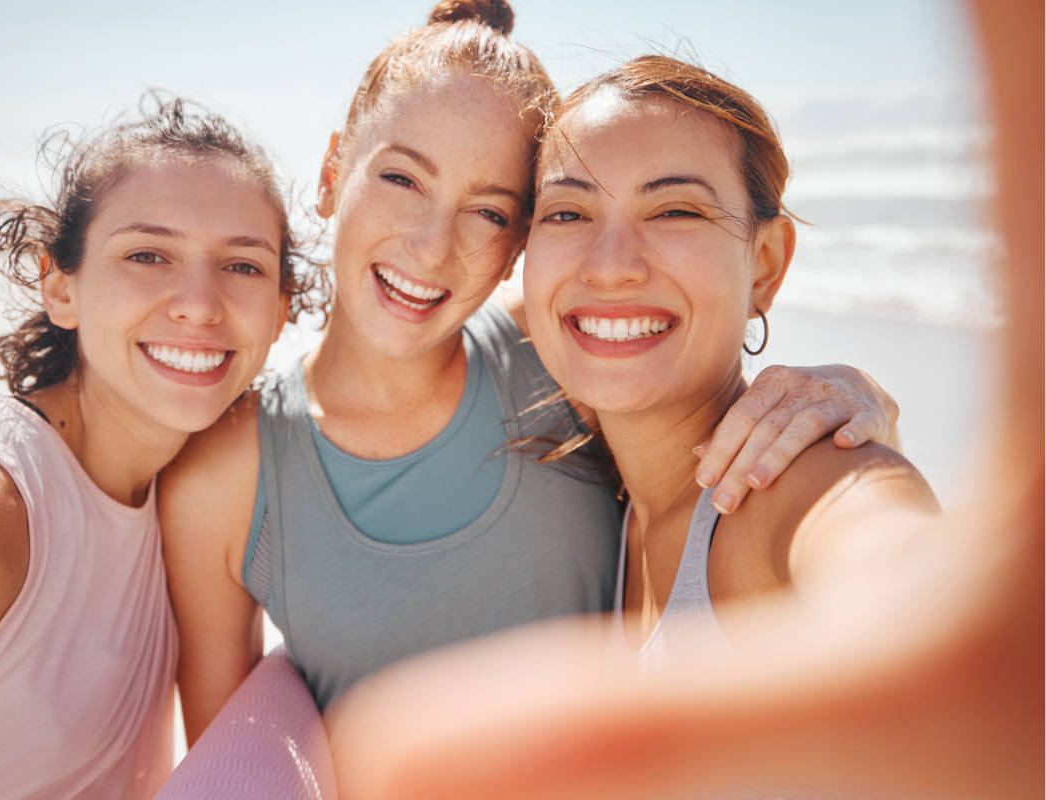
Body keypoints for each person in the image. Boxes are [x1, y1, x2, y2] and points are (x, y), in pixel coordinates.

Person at [324, 4, 1043, 795]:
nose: (612, 264)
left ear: (765, 263)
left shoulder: (796, 487)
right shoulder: (609, 464)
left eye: (675, 211)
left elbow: (888, 557)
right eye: (568, 212)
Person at [160, 0, 901, 742]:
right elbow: (232, 762)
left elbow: (860, 546)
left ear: (518, 244)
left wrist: (851, 396)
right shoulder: (221, 477)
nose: (429, 246)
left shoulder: (557, 359)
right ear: (331, 174)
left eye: (488, 212)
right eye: (402, 179)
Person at [0, 97, 307, 798]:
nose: (200, 304)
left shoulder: (202, 492)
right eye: (147, 255)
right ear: (60, 286)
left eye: (242, 266)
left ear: (281, 311)